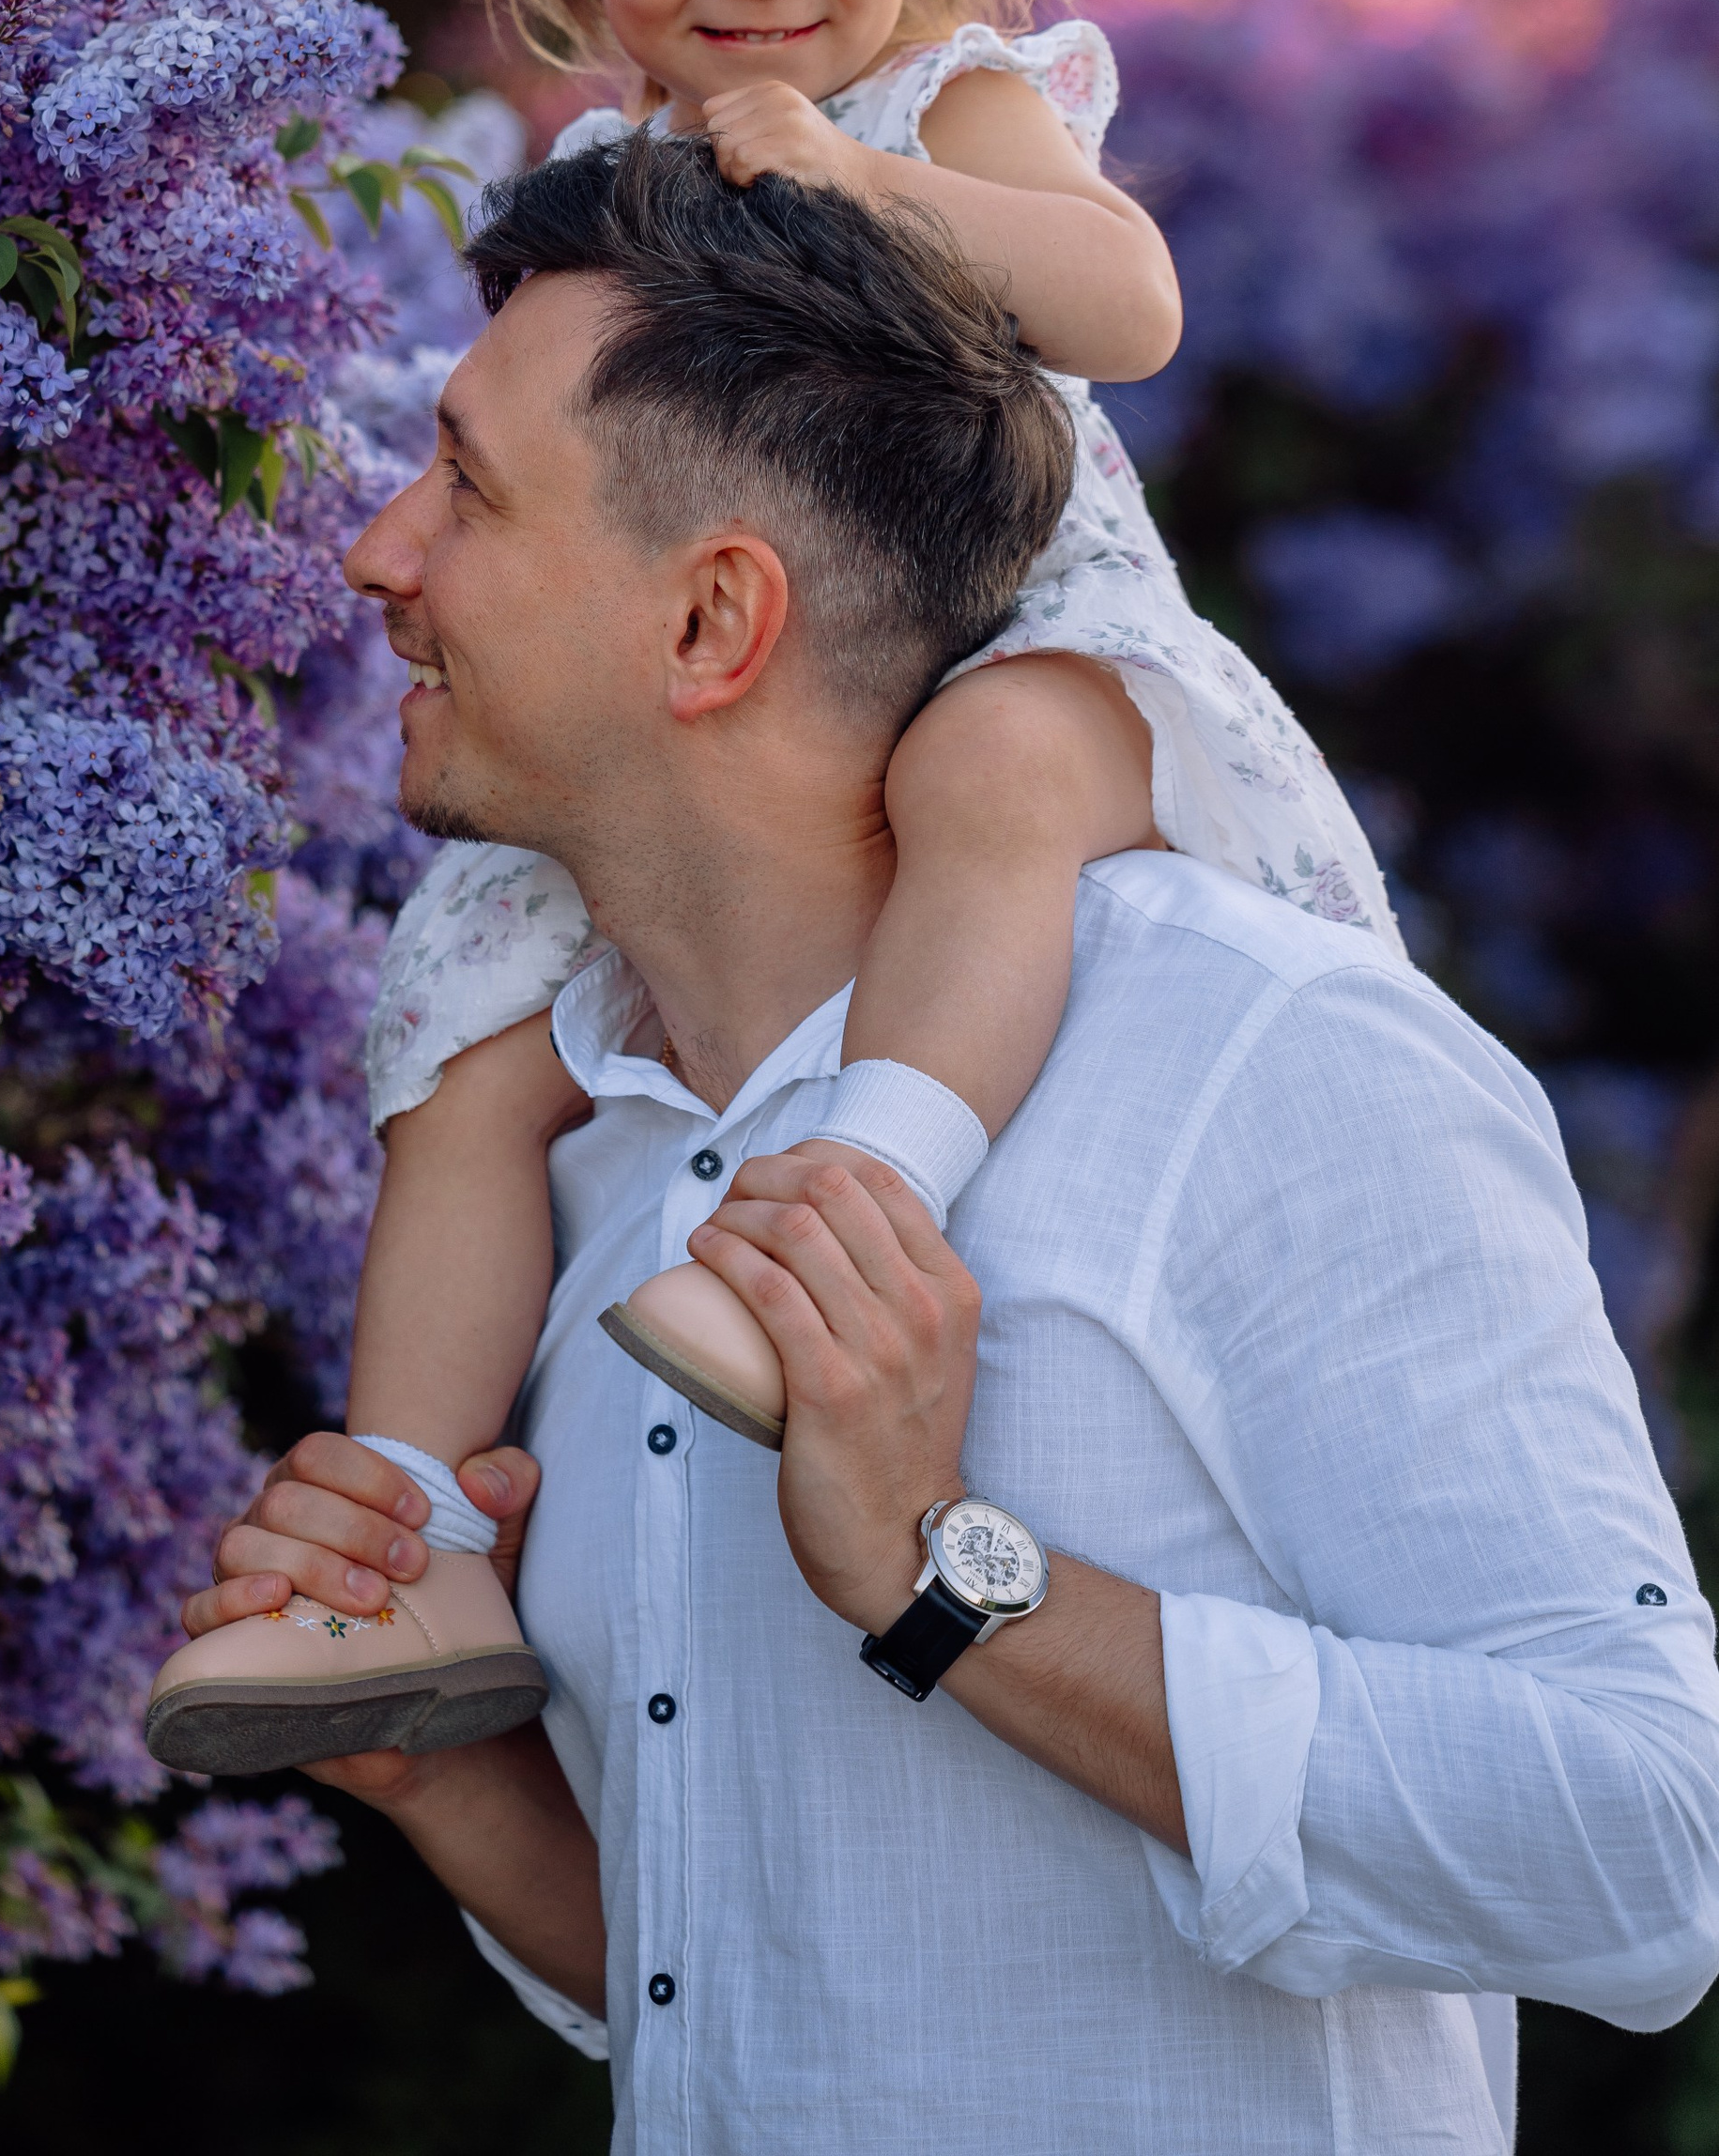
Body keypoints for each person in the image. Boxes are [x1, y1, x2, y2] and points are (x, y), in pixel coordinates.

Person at [171, 137, 1719, 2150]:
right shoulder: (594, 1163)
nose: (377, 554)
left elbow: (1642, 1844)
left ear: (714, 618)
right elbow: (751, 1990)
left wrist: (943, 1575)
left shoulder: (1260, 1049)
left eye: (462, 483)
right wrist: (441, 1779)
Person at [148, 0, 1396, 1775]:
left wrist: (860, 180)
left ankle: (851, 1192)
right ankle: (404, 1536)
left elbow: (1120, 300)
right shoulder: (595, 178)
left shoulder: (944, 97)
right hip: (711, 719)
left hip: (1006, 638)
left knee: (992, 762)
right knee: (463, 1038)